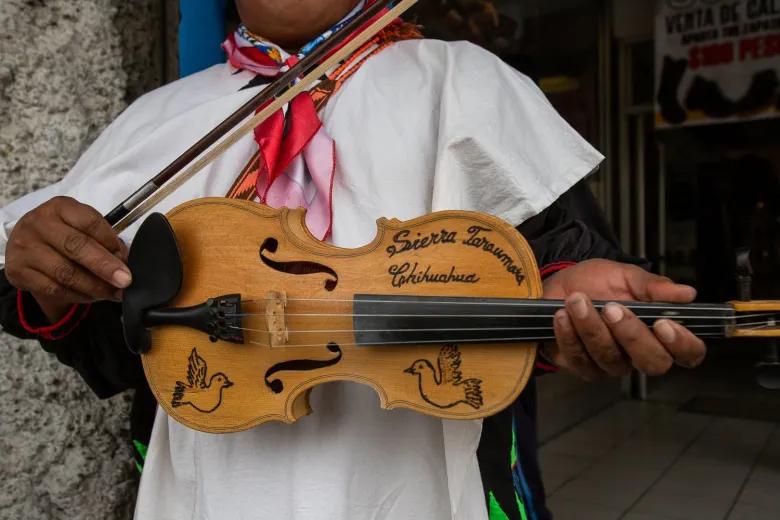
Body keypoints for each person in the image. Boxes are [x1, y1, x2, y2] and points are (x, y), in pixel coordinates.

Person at [0, 1, 706, 518]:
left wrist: (569, 294)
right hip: (205, 489)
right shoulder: (157, 119)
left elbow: (553, 259)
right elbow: (115, 339)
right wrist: (51, 278)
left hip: (415, 481)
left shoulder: (463, 81)